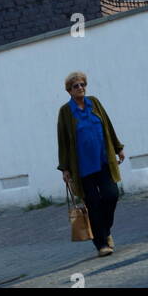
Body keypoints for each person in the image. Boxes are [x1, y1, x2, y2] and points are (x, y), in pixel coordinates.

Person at [57, 71, 125, 257]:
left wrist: (118, 147)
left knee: (111, 195)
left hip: (103, 161)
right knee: (93, 204)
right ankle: (101, 244)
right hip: (82, 167)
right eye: (75, 86)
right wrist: (65, 168)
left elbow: (108, 126)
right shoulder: (65, 112)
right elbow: (63, 141)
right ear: (69, 91)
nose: (80, 88)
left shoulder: (94, 102)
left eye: (82, 84)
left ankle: (105, 230)